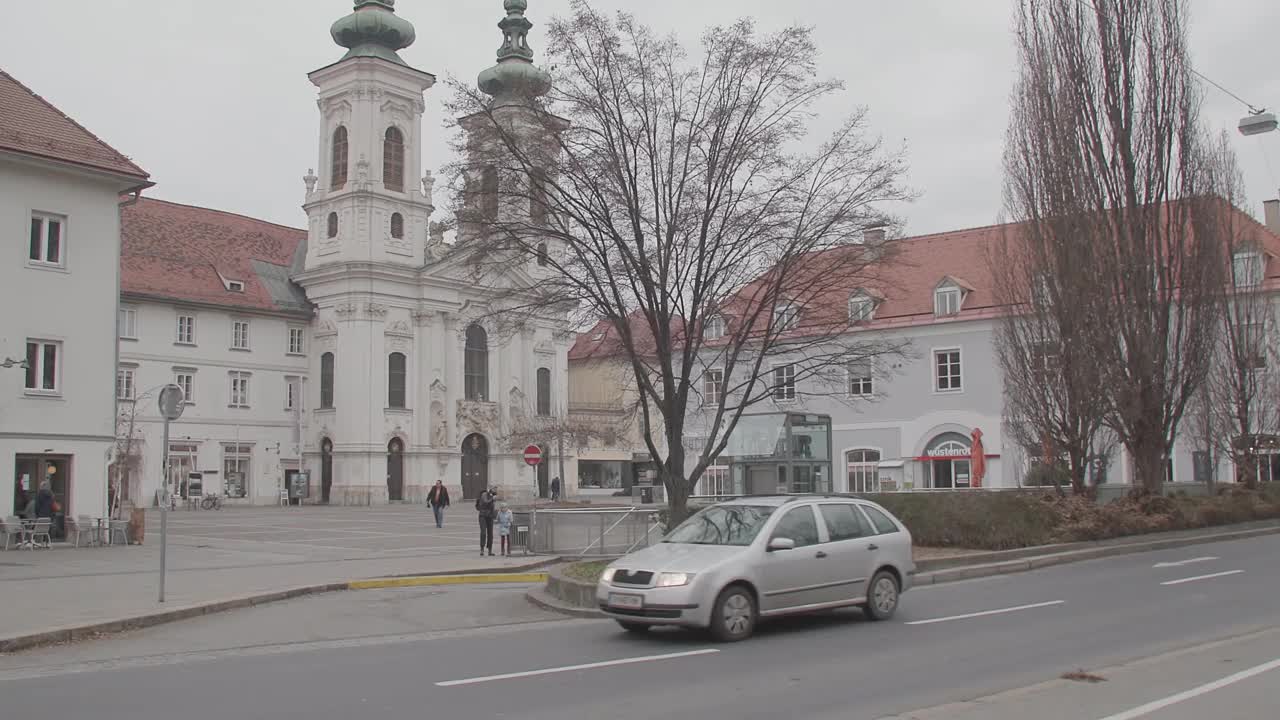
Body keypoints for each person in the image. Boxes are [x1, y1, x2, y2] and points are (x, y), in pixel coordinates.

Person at [475, 486, 497, 556]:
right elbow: (485, 502)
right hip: (483, 516)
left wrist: (495, 515)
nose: (494, 491)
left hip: (490, 516)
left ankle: (490, 550)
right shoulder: (484, 494)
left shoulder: (492, 495)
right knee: (483, 532)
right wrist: (492, 499)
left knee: (490, 534)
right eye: (493, 489)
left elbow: (493, 506)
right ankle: (482, 549)